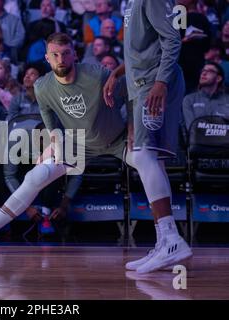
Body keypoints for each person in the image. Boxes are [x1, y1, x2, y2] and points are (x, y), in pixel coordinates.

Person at [0, 31, 127, 258]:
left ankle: (167, 238)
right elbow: (52, 127)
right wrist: (53, 148)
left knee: (148, 162)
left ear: (75, 55)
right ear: (47, 58)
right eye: (55, 54)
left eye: (66, 53)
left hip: (116, 136)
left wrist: (135, 127)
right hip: (77, 140)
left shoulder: (96, 75)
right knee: (35, 176)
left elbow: (131, 92)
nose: (60, 59)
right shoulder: (43, 86)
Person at [103, 0, 192, 273]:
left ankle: (171, 239)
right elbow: (141, 48)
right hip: (141, 83)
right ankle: (165, 241)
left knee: (142, 155)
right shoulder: (128, 2)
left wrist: (161, 83)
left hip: (154, 84)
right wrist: (117, 73)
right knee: (148, 158)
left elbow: (172, 40)